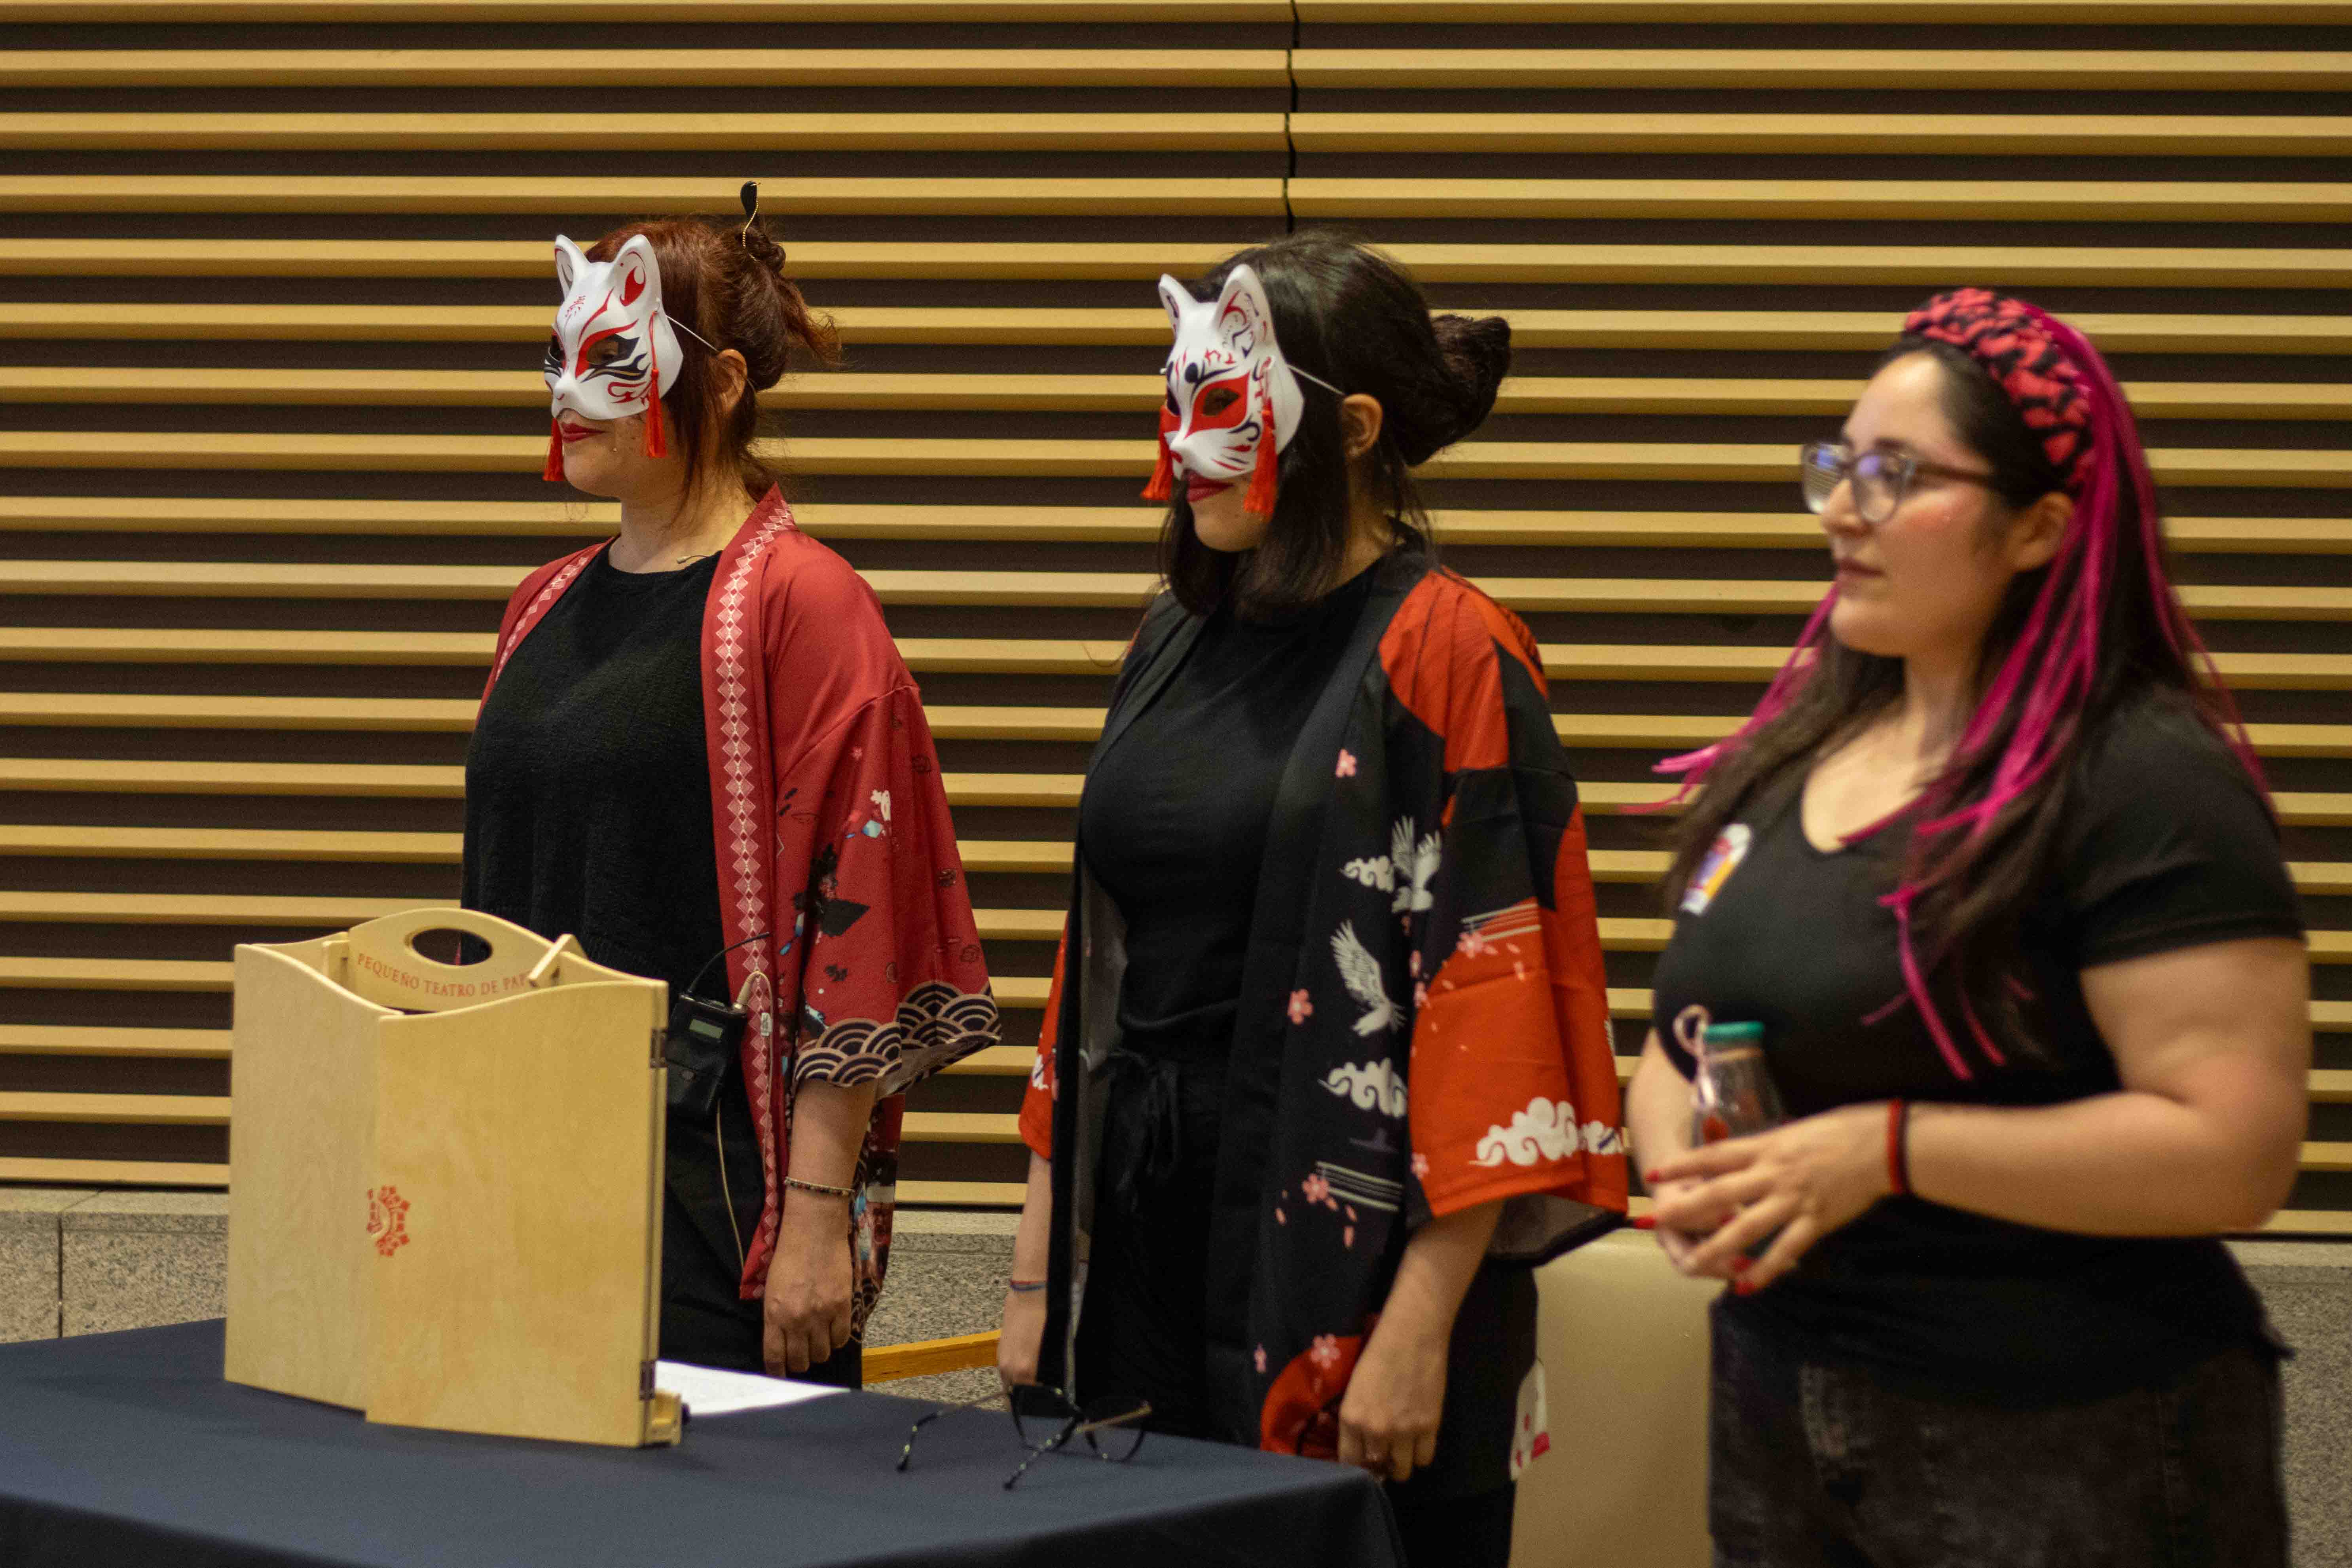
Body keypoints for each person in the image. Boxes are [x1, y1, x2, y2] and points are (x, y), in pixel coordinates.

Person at [1627, 288, 2310, 1566]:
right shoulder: (1800, 751)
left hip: (2064, 1433)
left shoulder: (2144, 777)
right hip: (1785, 1404)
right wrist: (1680, 1160)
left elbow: (2236, 1151)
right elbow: (1685, 1034)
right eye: (1837, 466)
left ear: (2040, 526)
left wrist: (1887, 1149)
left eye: (1897, 475)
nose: (1843, 509)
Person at [996, 231, 1628, 1568]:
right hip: (1146, 1245)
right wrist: (1038, 1268)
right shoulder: (1172, 634)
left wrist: (1419, 1326)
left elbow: (1497, 994)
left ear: (1352, 428)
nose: (1185, 447)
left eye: (1223, 405)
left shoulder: (1452, 647)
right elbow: (1091, 964)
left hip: (1352, 1252)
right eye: (1175, 402)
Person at [463, 195, 999, 1383]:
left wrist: (813, 1215)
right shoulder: (539, 605)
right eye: (557, 354)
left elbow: (860, 921)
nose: (566, 391)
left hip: (710, 1190)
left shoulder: (804, 603)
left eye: (609, 358)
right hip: (520, 1171)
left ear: (720, 381)